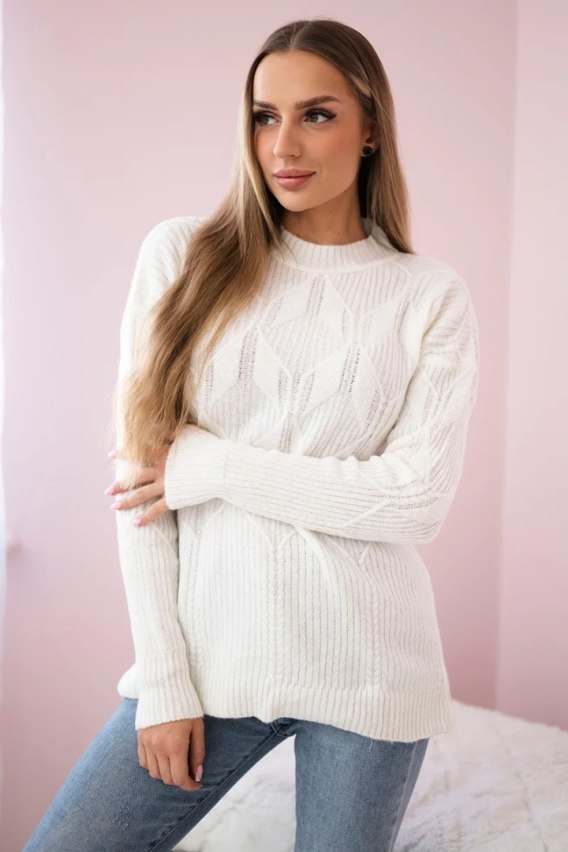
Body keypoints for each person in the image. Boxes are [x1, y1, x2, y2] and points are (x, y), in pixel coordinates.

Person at [23, 15, 480, 852]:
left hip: (372, 670)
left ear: (370, 128)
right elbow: (140, 491)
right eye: (265, 116)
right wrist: (166, 684)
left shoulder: (428, 296)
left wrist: (214, 466)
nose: (283, 146)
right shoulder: (183, 258)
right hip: (211, 663)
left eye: (317, 114)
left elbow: (414, 501)